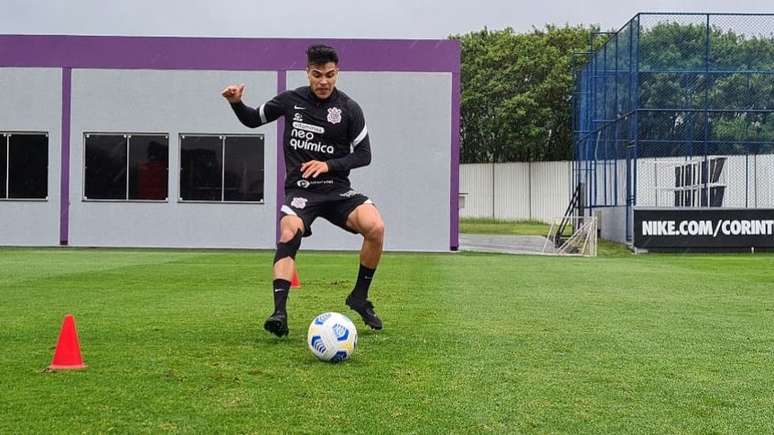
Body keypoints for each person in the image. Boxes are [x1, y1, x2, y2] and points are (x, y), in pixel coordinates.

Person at [222, 44, 385, 337]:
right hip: (301, 191)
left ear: (338, 73)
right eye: (317, 74)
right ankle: (279, 313)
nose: (324, 81)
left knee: (376, 226)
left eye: (330, 75)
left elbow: (364, 155)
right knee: (288, 231)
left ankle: (359, 297)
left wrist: (328, 165)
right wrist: (236, 102)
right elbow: (252, 119)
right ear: (307, 73)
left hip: (337, 190)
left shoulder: (349, 108)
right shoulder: (290, 100)